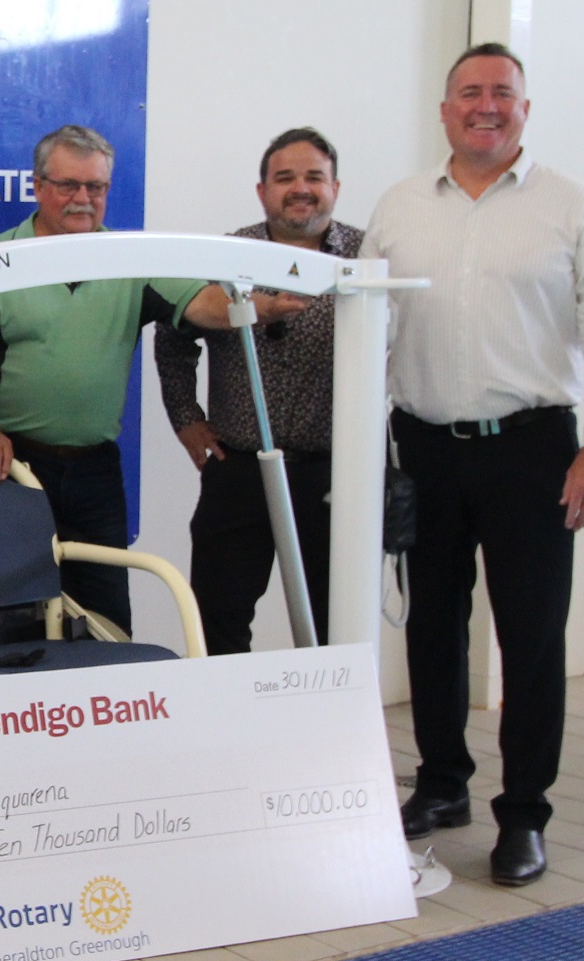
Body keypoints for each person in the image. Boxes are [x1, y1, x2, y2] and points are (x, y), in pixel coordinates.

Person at [361, 44, 584, 886]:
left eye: (502, 94)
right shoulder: (400, 206)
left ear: (524, 108)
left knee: (529, 634)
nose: (485, 106)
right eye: (469, 93)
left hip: (535, 451)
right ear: (443, 110)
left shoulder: (572, 206)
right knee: (433, 631)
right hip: (425, 446)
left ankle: (523, 815)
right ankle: (442, 785)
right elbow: (370, 329)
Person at [0, 124, 221, 635]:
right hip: (11, 470)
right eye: (68, 185)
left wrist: (262, 308)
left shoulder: (131, 260)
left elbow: (204, 305)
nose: (82, 199)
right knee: (11, 619)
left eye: (95, 187)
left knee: (108, 618)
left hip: (96, 472)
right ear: (37, 186)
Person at [155, 127, 362, 654]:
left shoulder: (366, 257)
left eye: (314, 177)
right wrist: (186, 417)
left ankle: (325, 733)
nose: (300, 188)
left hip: (332, 475)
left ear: (336, 186)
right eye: (284, 177)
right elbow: (174, 336)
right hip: (239, 471)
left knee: (333, 625)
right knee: (218, 619)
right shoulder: (225, 255)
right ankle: (227, 730)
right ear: (262, 189)